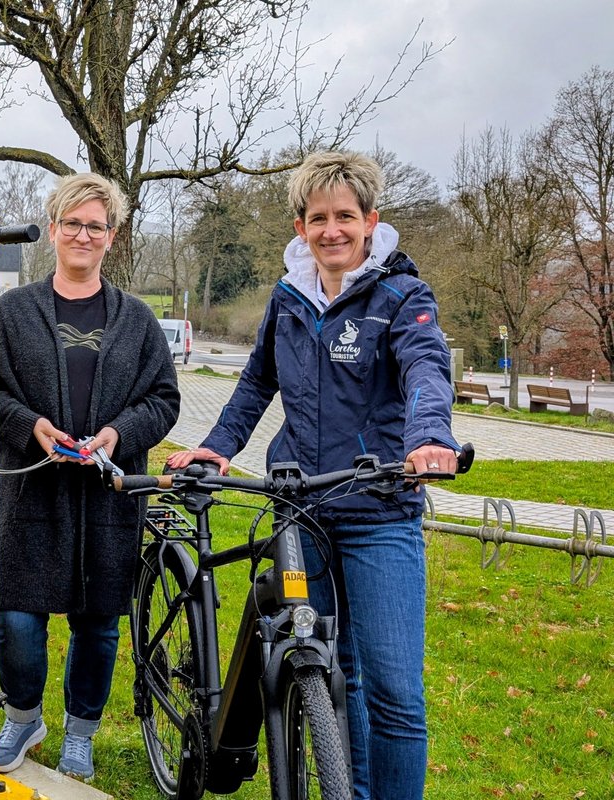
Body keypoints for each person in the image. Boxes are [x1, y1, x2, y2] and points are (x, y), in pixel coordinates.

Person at [167, 150, 459, 800]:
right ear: (301, 226)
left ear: (370, 220)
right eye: (319, 217)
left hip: (380, 512)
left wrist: (430, 437)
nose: (332, 230)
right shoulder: (289, 298)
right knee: (330, 674)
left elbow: (425, 370)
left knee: (393, 691)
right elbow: (253, 386)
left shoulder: (400, 295)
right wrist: (217, 448)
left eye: (345, 217)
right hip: (299, 512)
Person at [0, 172, 180, 781]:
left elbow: (164, 398)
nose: (82, 234)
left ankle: (81, 729)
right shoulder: (11, 313)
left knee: (98, 623)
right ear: (52, 231)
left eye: (94, 225)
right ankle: (23, 717)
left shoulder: (138, 320)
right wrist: (30, 424)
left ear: (112, 236)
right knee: (17, 617)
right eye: (71, 223)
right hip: (31, 490)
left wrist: (120, 435)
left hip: (108, 494)